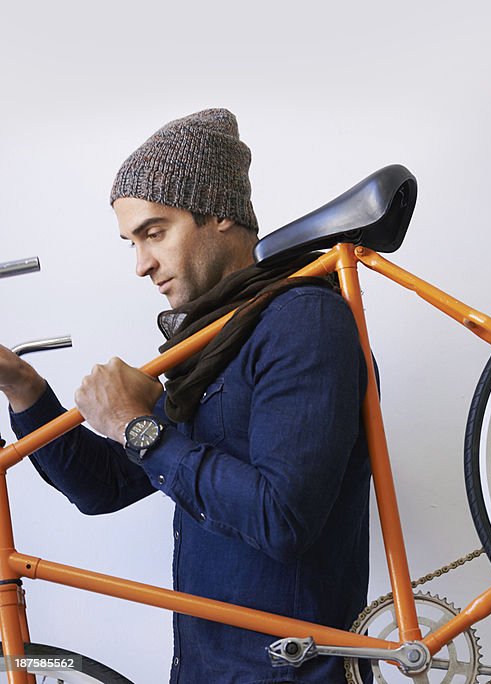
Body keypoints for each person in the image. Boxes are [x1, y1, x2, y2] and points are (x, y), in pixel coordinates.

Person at [0, 109, 372, 683]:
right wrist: (23, 387)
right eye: (131, 241)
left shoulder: (303, 319)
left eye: (154, 232)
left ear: (220, 212)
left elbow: (283, 519)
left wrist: (134, 425)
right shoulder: (211, 347)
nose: (141, 264)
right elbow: (102, 488)